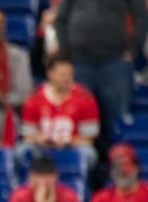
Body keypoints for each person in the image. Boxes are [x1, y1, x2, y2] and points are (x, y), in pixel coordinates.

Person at [55, 0, 147, 151]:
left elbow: (141, 16)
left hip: (115, 62)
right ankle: (84, 165)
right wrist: (66, 53)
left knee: (116, 121)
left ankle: (117, 165)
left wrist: (133, 49)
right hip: (80, 62)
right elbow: (60, 19)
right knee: (78, 118)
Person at [20, 54, 100, 167]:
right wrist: (39, 139)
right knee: (21, 151)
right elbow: (28, 135)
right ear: (50, 73)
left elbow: (89, 137)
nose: (66, 79)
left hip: (72, 148)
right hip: (42, 149)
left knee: (89, 154)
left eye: (69, 74)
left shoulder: (85, 98)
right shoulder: (34, 99)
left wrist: (69, 141)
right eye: (62, 75)